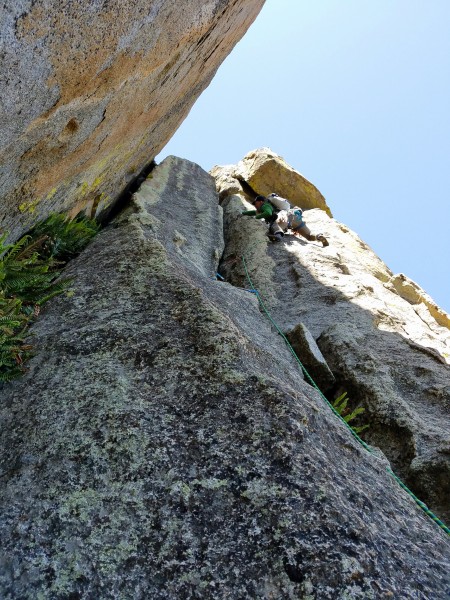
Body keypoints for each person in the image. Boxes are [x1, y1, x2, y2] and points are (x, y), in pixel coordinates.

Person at [242, 195, 329, 246]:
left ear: (260, 201)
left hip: (285, 217)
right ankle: (319, 236)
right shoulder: (264, 207)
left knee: (274, 224)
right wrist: (244, 213)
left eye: (255, 203)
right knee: (309, 236)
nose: (254, 205)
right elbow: (254, 212)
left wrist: (255, 218)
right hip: (296, 219)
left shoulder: (265, 205)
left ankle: (278, 236)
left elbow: (268, 213)